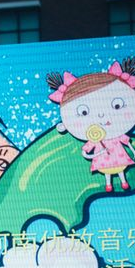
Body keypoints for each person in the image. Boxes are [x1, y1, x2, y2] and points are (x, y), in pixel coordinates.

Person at [48, 57, 135, 192]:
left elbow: (128, 142)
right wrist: (96, 154)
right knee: (107, 173)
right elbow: (85, 153)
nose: (101, 115)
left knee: (120, 170)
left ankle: (123, 182)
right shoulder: (95, 139)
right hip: (103, 160)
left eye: (117, 105)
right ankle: (108, 184)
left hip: (119, 158)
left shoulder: (117, 134)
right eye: (83, 112)